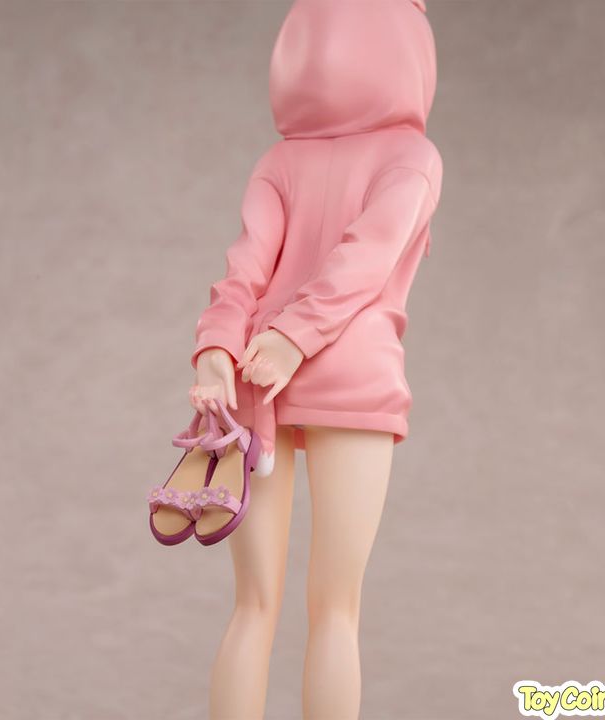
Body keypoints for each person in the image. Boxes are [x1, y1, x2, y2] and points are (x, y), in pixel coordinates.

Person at [188, 1, 443, 716]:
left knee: (252, 607)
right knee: (335, 609)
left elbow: (243, 273)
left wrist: (218, 347)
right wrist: (290, 338)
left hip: (253, 381)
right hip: (349, 378)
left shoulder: (281, 161)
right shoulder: (412, 157)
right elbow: (367, 258)